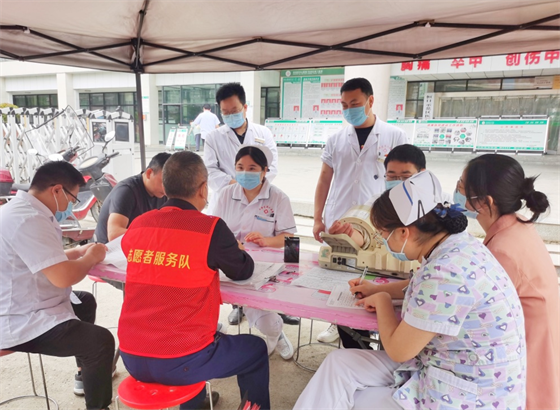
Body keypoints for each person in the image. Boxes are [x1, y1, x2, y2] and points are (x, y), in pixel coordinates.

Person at [295, 171, 526, 409]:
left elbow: (399, 350)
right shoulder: (455, 243)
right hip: (442, 366)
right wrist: (377, 289)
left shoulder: (446, 272)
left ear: (404, 232)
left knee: (355, 401)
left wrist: (383, 300)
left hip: (468, 394)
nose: (384, 241)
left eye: (383, 235)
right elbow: (422, 287)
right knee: (339, 364)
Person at [117, 151, 270, 410]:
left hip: (131, 355)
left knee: (196, 334)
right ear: (203, 189)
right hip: (182, 358)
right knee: (255, 349)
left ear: (166, 187)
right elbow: (243, 271)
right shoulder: (210, 228)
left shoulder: (139, 224)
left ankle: (195, 403)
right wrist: (236, 248)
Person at [0, 161, 115, 410]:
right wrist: (90, 257)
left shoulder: (25, 211)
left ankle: (84, 373)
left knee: (84, 302)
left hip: (27, 299)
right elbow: (63, 277)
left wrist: (78, 252)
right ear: (57, 190)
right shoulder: (27, 220)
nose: (70, 205)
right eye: (72, 198)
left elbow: (43, 258)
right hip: (18, 318)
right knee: (100, 342)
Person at [317, 144, 452, 345]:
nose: (398, 181)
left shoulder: (439, 269)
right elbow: (366, 233)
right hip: (394, 277)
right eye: (392, 176)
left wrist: (382, 299)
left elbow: (400, 350)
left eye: (405, 176)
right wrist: (350, 234)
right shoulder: (380, 202)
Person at [455, 154, 560, 410]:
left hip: (529, 347)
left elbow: (467, 305)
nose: (457, 190)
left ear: (485, 202)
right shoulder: (515, 226)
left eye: (462, 186)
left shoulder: (503, 250)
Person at [203, 82, 284, 326]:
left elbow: (273, 165)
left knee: (263, 252)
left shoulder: (263, 133)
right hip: (227, 197)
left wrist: (254, 185)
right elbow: (210, 169)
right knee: (232, 254)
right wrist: (236, 184)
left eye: (234, 110)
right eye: (225, 112)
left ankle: (276, 304)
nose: (230, 115)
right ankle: (238, 305)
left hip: (261, 196)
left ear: (245, 107)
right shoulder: (213, 137)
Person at [212, 145, 297, 360]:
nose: (245, 173)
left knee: (269, 323)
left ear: (264, 170)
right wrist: (231, 244)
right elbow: (213, 229)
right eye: (240, 167)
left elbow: (291, 241)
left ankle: (275, 334)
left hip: (265, 267)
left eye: (252, 168)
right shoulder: (225, 194)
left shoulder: (279, 198)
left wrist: (267, 241)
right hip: (232, 263)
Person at [313, 77, 408, 243]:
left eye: (354, 104)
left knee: (372, 256)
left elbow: (406, 181)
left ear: (370, 101)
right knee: (336, 256)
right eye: (344, 105)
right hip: (338, 217)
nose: (349, 110)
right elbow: (324, 179)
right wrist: (317, 219)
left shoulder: (395, 136)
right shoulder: (335, 140)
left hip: (376, 218)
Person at [94, 152, 171, 244]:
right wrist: (153, 234)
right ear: (149, 173)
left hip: (137, 246)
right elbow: (114, 234)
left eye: (169, 184)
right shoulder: (126, 191)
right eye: (163, 182)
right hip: (109, 249)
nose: (166, 190)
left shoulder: (162, 193)